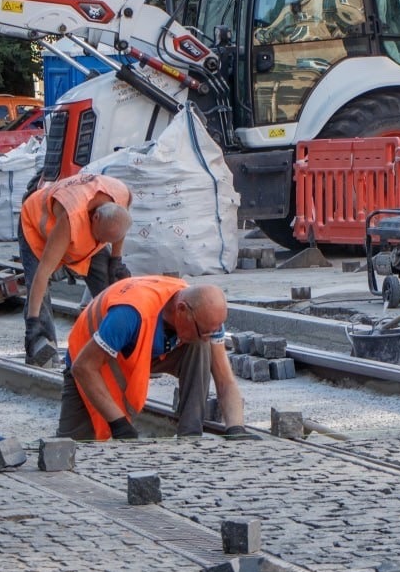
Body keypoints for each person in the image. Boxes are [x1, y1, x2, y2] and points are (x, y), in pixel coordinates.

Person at [56, 277, 257, 441]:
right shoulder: (129, 314)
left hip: (146, 350)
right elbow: (83, 367)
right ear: (181, 310)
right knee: (75, 446)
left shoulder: (206, 318)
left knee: (200, 347)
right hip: (89, 359)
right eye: (203, 331)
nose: (208, 336)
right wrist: (119, 425)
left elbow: (225, 380)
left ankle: (190, 436)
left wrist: (236, 428)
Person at [19, 173, 133, 366]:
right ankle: (41, 345)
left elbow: (117, 229)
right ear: (95, 218)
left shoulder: (121, 195)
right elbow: (42, 274)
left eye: (106, 241)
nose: (102, 243)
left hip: (86, 227)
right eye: (101, 238)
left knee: (109, 283)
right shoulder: (70, 218)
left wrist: (116, 260)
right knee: (40, 287)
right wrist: (32, 322)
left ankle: (116, 340)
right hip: (37, 229)